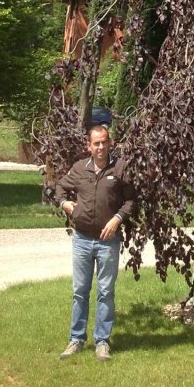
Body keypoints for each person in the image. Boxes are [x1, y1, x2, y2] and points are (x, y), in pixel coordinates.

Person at [55, 123, 137, 361]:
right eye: (96, 143)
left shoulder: (120, 168)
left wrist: (117, 219)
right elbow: (60, 188)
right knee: (80, 291)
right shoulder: (79, 168)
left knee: (105, 292)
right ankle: (76, 339)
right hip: (81, 239)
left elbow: (131, 200)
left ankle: (102, 342)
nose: (101, 147)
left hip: (107, 241)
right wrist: (65, 203)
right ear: (89, 146)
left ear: (110, 143)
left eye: (104, 142)